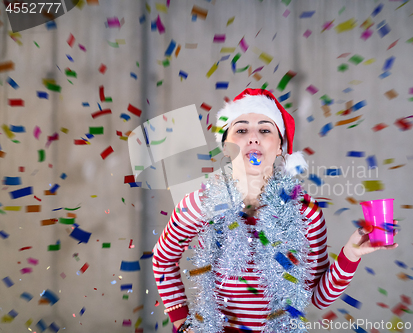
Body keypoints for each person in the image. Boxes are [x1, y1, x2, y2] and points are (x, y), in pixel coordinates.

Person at [152, 88, 398, 333]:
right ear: (226, 146)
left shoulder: (305, 212)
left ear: (280, 146)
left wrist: (350, 255)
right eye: (241, 130)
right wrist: (182, 323)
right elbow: (163, 258)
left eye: (265, 129)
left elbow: (317, 298)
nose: (253, 137)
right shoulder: (200, 204)